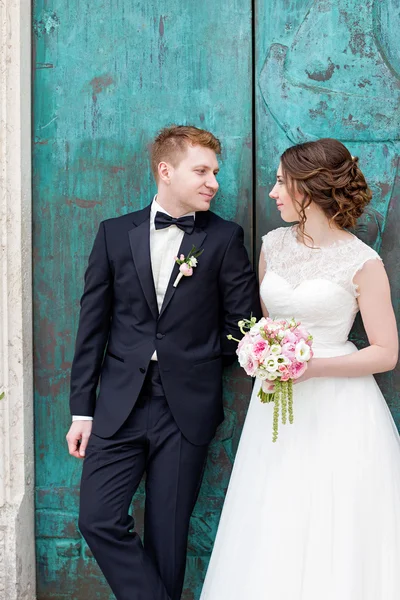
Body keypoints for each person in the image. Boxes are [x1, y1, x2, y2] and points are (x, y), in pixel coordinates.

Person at [65, 125, 261, 600]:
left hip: (186, 407)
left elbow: (243, 324)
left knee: (169, 538)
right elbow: (92, 327)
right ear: (165, 170)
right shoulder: (114, 234)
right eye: (202, 170)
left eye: (215, 171)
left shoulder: (224, 238)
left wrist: (193, 356)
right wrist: (82, 409)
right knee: (96, 519)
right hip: (118, 406)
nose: (213, 181)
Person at [200, 138, 400, 600]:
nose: (272, 192)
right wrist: (262, 350)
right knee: (275, 508)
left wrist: (312, 367)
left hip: (339, 407)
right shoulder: (273, 244)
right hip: (276, 404)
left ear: (309, 187)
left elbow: (386, 352)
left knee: (333, 513)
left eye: (280, 182)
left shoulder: (363, 262)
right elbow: (268, 323)